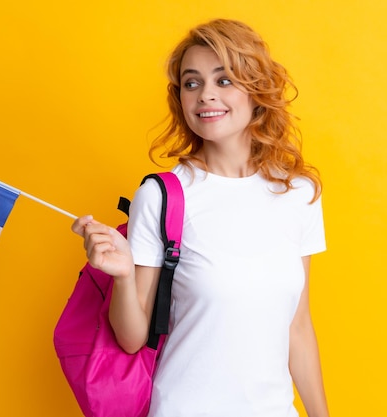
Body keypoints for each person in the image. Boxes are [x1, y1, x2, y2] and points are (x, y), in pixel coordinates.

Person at [71, 18, 330, 417]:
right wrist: (122, 277)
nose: (206, 95)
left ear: (256, 90)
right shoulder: (162, 195)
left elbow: (298, 327)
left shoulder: (298, 194)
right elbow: (131, 338)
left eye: (224, 80)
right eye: (192, 83)